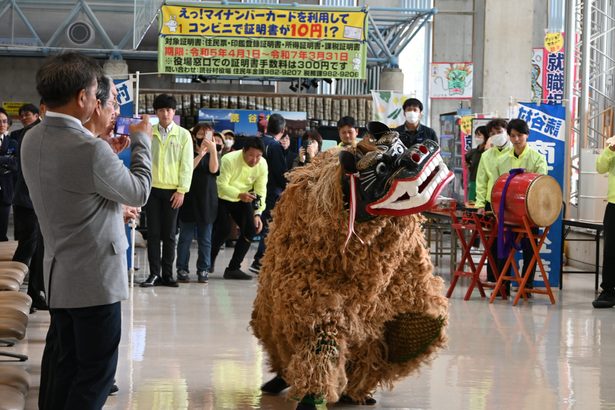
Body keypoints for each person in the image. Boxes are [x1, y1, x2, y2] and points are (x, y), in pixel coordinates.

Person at [22, 52, 152, 410]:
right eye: (97, 95)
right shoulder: (90, 149)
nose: (98, 102)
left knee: (64, 370)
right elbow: (139, 190)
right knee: (94, 377)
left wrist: (106, 155)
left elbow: (70, 195)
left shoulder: (32, 139)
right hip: (95, 283)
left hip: (60, 276)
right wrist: (142, 142)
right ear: (82, 98)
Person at [140, 94, 193, 288]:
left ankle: (168, 275)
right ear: (156, 112)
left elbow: (187, 165)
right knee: (153, 233)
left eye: (169, 110)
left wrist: (182, 190)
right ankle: (154, 274)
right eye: (161, 110)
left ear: (174, 112)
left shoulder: (183, 135)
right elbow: (143, 160)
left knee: (170, 234)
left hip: (173, 191)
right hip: (152, 189)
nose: (166, 113)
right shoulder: (148, 132)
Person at [493, 119, 547, 294]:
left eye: (520, 135)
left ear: (527, 135)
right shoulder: (502, 160)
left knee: (529, 248)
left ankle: (527, 286)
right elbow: (496, 185)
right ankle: (503, 286)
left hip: (529, 213)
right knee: (504, 246)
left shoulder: (537, 159)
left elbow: (541, 185)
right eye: (513, 136)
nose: (516, 139)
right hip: (507, 211)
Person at [210, 137, 267, 279]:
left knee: (250, 230)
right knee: (223, 230)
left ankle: (233, 268)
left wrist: (257, 213)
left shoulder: (262, 165)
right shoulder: (229, 159)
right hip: (222, 197)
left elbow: (260, 191)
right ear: (243, 151)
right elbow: (220, 185)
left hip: (244, 197)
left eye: (258, 156)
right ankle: (208, 260)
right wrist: (238, 194)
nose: (254, 160)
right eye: (251, 155)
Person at [176, 123, 219, 283]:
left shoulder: (215, 151)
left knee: (205, 239)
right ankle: (182, 268)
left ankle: (203, 269)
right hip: (188, 199)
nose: (204, 137)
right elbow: (187, 170)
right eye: (201, 134)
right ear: (194, 135)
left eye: (207, 134)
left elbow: (214, 170)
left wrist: (213, 150)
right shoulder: (187, 150)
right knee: (185, 238)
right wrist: (200, 154)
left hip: (207, 200)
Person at [249, 113, 287, 275]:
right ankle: (259, 260)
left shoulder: (259, 143)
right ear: (283, 130)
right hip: (271, 192)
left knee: (255, 225)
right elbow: (280, 173)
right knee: (267, 227)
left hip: (252, 189)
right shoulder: (275, 147)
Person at [475, 118, 512, 284]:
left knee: (507, 241)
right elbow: (481, 181)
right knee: (492, 241)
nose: (497, 136)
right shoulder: (486, 155)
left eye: (499, 132)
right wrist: (480, 204)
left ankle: (505, 280)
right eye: (493, 133)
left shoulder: (514, 152)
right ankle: (492, 277)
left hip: (510, 203)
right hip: (492, 203)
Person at [593, 136, 615, 308]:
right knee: (611, 250)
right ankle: (608, 291)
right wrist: (610, 150)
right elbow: (600, 168)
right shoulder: (612, 144)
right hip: (614, 204)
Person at [0, 107, 18, 242]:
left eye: (4, 121)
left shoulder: (12, 143)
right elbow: (10, 161)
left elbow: (16, 164)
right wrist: (7, 160)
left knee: (2, 231)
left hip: (5, 192)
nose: (2, 124)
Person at [465, 125, 488, 202]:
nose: (476, 137)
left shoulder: (489, 152)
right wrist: (469, 166)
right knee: (472, 204)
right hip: (473, 181)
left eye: (479, 135)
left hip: (485, 183)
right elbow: (466, 160)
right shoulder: (473, 152)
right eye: (475, 135)